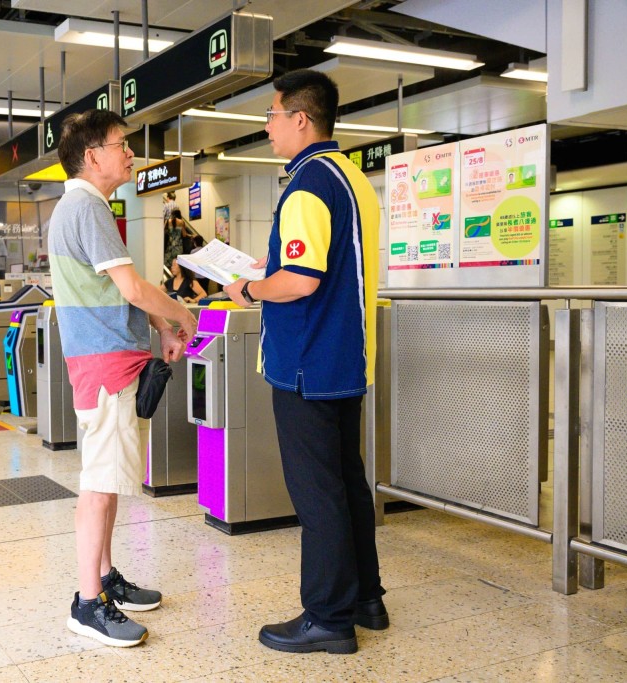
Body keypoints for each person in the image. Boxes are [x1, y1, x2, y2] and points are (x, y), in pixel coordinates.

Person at [222, 69, 384, 656]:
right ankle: (366, 598)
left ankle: (328, 617)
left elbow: (301, 278)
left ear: (300, 118)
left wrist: (249, 289)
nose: (266, 128)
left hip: (306, 366)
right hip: (346, 359)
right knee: (346, 484)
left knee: (317, 493)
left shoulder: (307, 185)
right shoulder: (353, 179)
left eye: (270, 115)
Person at [49, 109, 197, 648]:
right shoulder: (85, 207)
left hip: (111, 356)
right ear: (93, 156)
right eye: (121, 144)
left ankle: (106, 577)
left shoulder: (87, 207)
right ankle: (87, 602)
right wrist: (181, 314)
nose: (130, 153)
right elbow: (133, 288)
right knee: (99, 483)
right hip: (105, 360)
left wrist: (160, 324)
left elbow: (122, 291)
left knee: (108, 480)